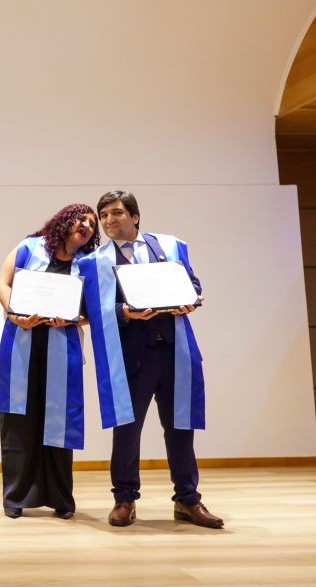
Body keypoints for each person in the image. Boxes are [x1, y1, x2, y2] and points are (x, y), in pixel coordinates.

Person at [78, 190, 223, 529]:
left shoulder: (170, 246)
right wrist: (124, 312)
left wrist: (192, 298)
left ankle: (187, 499)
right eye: (104, 215)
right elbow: (89, 309)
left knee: (180, 427)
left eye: (116, 213)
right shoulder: (93, 262)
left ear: (135, 216)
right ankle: (124, 499)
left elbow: (192, 284)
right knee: (126, 430)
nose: (109, 220)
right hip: (129, 356)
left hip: (174, 351)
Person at [0, 204, 99, 520]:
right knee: (18, 421)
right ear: (65, 220)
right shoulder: (29, 247)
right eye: (81, 218)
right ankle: (14, 497)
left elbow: (94, 312)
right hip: (22, 341)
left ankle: (61, 498)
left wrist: (73, 319)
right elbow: (3, 283)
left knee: (60, 421)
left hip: (61, 345)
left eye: (92, 224)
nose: (87, 225)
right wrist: (14, 314)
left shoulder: (89, 263)